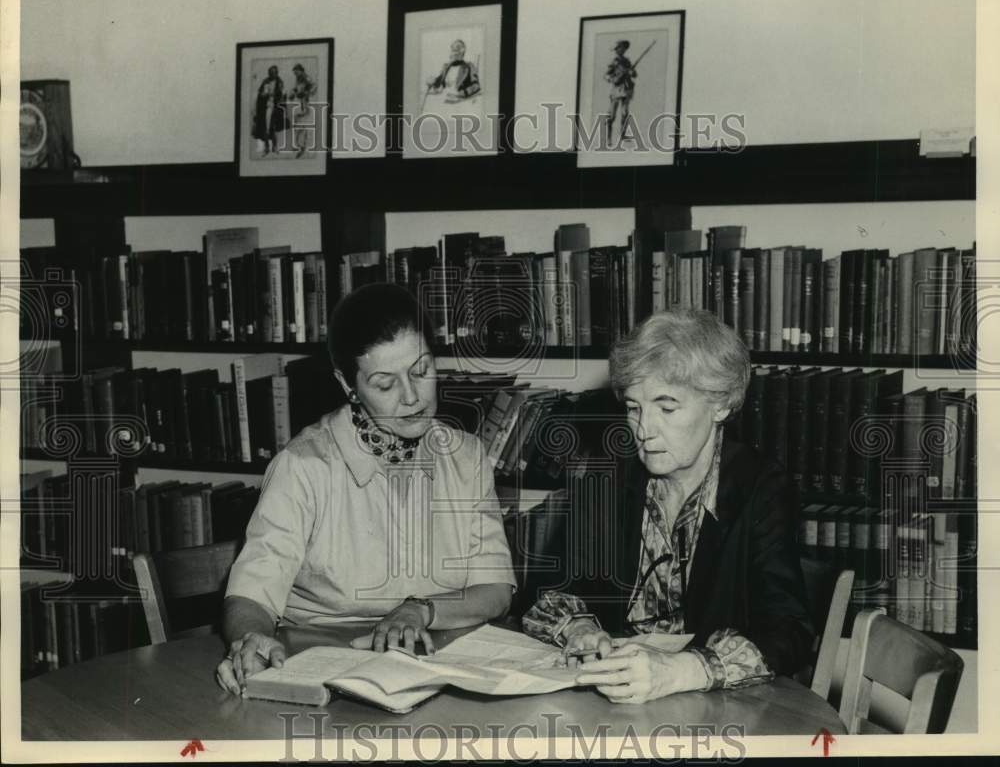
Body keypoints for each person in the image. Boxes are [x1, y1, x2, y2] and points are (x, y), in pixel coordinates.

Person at [216, 283, 516, 696]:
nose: (412, 397)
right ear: (348, 384)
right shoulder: (303, 466)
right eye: (385, 383)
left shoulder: (466, 456)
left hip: (437, 663)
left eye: (421, 370)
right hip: (322, 667)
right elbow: (252, 595)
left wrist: (420, 610)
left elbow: (496, 590)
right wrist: (250, 638)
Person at [522, 309, 814, 704]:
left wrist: (683, 670)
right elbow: (549, 588)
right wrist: (580, 630)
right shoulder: (609, 473)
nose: (644, 430)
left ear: (721, 405)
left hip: (717, 708)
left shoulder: (761, 487)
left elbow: (789, 631)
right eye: (633, 407)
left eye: (667, 407)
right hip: (615, 698)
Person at [425, 39, 481, 105]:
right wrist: (433, 81)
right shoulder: (446, 67)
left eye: (455, 50)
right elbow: (439, 82)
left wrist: (462, 93)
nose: (452, 53)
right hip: (442, 97)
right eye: (452, 50)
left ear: (462, 52)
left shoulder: (469, 66)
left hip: (458, 100)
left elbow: (476, 86)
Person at [605, 40, 636, 144]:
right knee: (612, 115)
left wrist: (631, 72)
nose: (621, 50)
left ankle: (623, 135)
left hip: (626, 89)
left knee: (625, 113)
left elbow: (634, 74)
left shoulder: (627, 61)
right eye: (619, 48)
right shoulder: (614, 61)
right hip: (616, 90)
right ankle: (608, 138)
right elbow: (606, 75)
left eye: (622, 48)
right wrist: (614, 79)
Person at [251, 64, 286, 156]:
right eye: (271, 73)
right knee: (266, 128)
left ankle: (275, 147)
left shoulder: (280, 82)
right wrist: (264, 94)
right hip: (266, 107)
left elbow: (282, 95)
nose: (272, 74)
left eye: (274, 72)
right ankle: (267, 148)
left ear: (276, 73)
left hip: (276, 107)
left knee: (274, 128)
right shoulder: (265, 81)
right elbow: (260, 95)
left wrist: (280, 99)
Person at [288, 63, 318, 159]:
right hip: (299, 104)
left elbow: (314, 86)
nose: (295, 74)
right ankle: (298, 145)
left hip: (305, 104)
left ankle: (302, 148)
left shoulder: (306, 78)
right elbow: (296, 89)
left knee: (302, 126)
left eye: (296, 72)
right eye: (294, 73)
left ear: (301, 70)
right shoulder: (298, 79)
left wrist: (306, 93)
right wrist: (293, 93)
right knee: (296, 125)